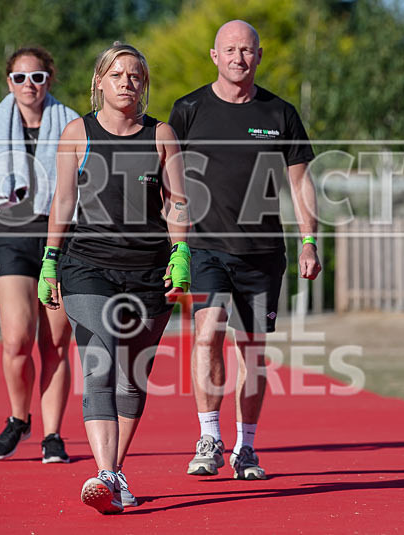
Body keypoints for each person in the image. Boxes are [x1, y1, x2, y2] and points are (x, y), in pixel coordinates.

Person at [168, 20, 321, 480]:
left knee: (252, 352)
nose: (239, 58)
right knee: (208, 331)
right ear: (215, 56)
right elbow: (167, 178)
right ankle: (208, 437)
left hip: (262, 253)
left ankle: (246, 448)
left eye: (248, 50)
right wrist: (172, 244)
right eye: (230, 50)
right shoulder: (189, 109)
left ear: (259, 55)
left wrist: (310, 239)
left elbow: (301, 182)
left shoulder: (280, 113)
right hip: (205, 246)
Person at [40, 43, 189, 514]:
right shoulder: (76, 133)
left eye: (136, 76)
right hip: (86, 265)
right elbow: (63, 201)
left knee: (132, 378)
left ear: (143, 85)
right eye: (117, 74)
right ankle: (105, 474)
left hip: (147, 270)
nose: (127, 82)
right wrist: (49, 258)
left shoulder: (161, 134)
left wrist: (181, 252)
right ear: (99, 82)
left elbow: (177, 201)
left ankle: (115, 472)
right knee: (99, 361)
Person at [0, 47, 79, 463]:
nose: (29, 85)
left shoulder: (72, 126)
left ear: (50, 79)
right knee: (16, 341)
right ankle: (17, 418)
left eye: (38, 78)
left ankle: (53, 436)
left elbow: (87, 188)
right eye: (20, 78)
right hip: (11, 234)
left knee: (56, 343)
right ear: (8, 82)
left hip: (61, 236)